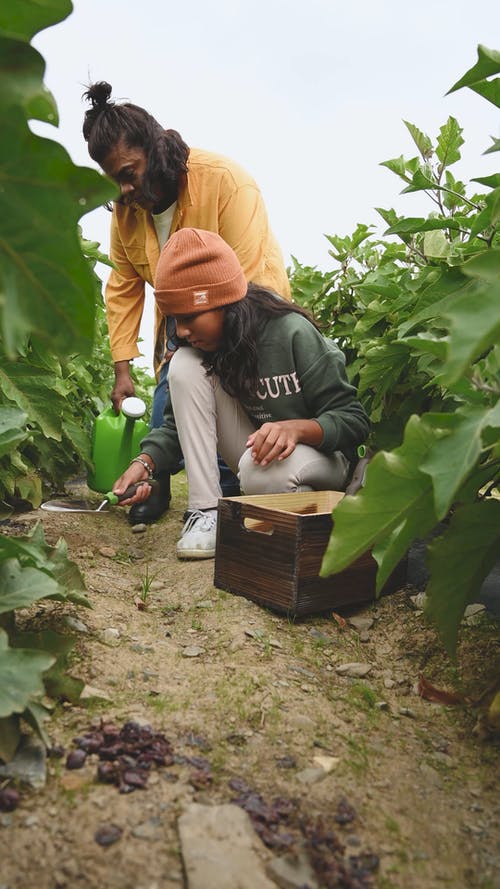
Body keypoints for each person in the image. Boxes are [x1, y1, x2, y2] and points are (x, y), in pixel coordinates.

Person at [82, 81, 290, 524]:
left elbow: (247, 282)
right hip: (185, 330)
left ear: (155, 150)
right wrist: (123, 368)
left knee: (228, 424)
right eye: (112, 181)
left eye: (127, 173)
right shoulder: (127, 214)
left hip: (253, 320)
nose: (122, 191)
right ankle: (154, 491)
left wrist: (201, 352)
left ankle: (225, 494)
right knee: (165, 415)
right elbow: (122, 284)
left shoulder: (225, 181)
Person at [112, 228, 370, 560]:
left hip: (325, 460)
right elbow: (180, 427)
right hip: (259, 458)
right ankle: (206, 512)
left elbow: (353, 419)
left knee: (266, 472)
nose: (182, 330)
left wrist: (296, 428)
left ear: (224, 302)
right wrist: (144, 463)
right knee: (184, 365)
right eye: (175, 319)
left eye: (190, 317)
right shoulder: (206, 348)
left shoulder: (291, 333)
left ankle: (301, 508)